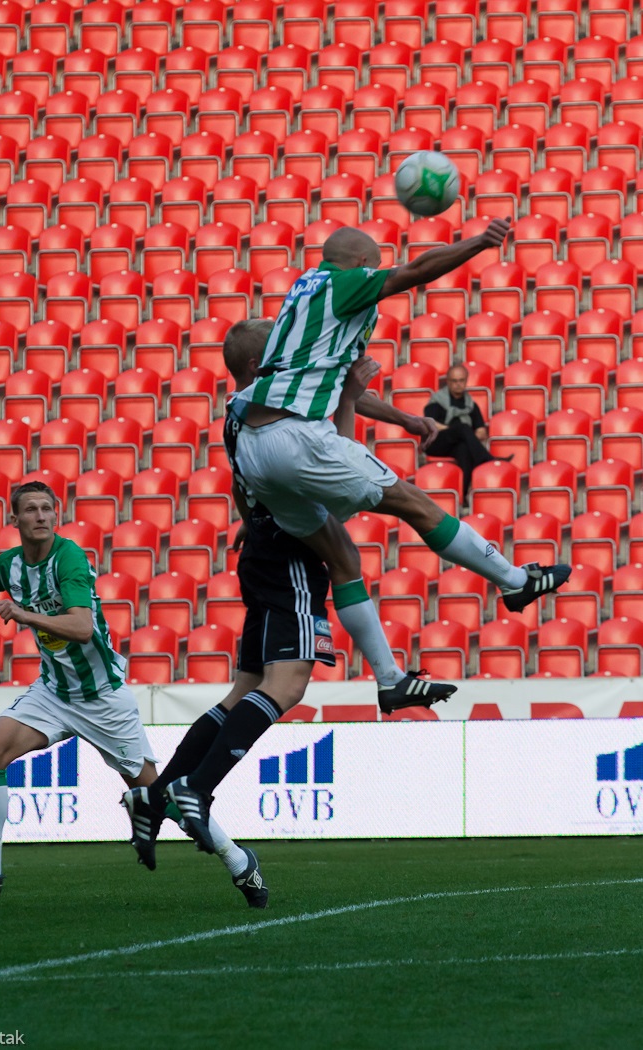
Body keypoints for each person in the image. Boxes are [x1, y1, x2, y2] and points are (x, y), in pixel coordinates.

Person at [123, 321, 457, 878]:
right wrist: (352, 398)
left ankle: (155, 797)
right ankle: (195, 790)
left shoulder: (239, 412)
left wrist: (253, 517)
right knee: (287, 686)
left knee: (245, 689)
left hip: (262, 550)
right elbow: (335, 468)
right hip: (292, 556)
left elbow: (271, 473)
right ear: (259, 368)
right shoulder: (277, 413)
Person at [227, 223, 571, 640]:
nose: (375, 276)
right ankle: (514, 581)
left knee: (343, 557)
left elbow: (330, 385)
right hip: (296, 438)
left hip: (253, 445)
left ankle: (390, 679)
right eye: (373, 268)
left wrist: (406, 420)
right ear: (360, 265)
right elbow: (415, 271)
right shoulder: (343, 284)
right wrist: (480, 242)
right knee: (414, 505)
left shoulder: (302, 298)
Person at [0, 481, 159, 899]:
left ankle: (238, 860)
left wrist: (23, 614)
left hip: (102, 697)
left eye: (47, 508)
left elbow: (81, 628)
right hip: (55, 693)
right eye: (31, 509)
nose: (40, 516)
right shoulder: (8, 565)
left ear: (55, 516)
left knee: (157, 792)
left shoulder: (70, 557)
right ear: (16, 520)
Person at [423, 361, 510, 503]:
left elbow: (481, 432)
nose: (458, 384)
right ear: (448, 382)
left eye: (461, 380)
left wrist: (469, 436)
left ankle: (461, 497)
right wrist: (457, 431)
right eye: (454, 381)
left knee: (464, 450)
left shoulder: (471, 405)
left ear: (466, 381)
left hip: (457, 445)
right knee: (463, 427)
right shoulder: (437, 401)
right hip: (437, 442)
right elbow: (430, 424)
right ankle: (487, 459)